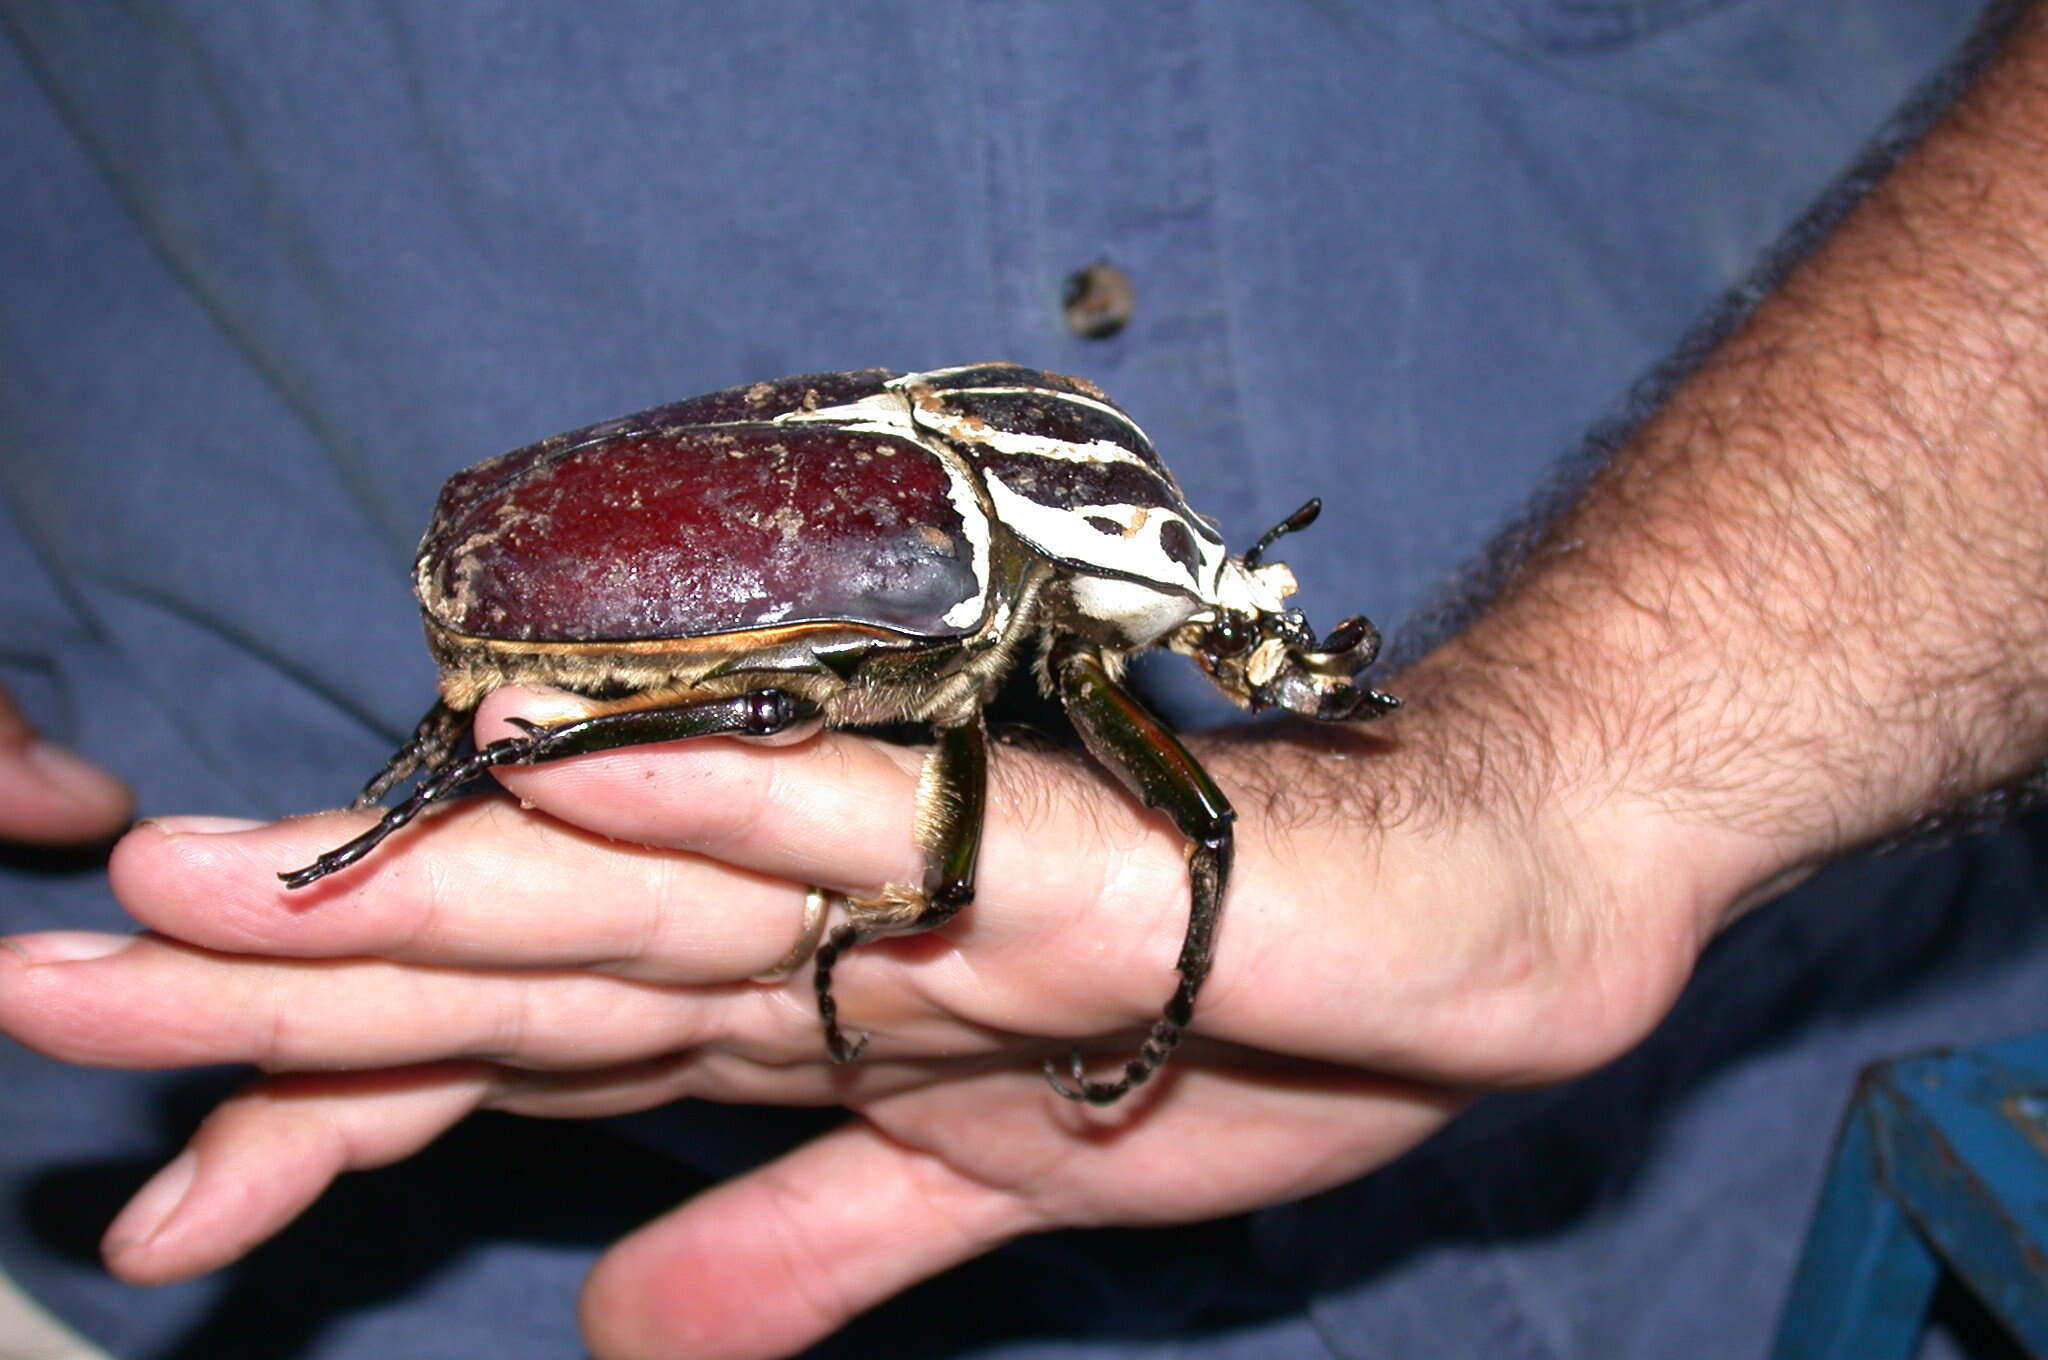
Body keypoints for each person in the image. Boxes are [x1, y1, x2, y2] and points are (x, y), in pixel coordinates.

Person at [0, 3, 2036, 1357]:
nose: (1231, 637)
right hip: (391, 1190)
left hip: (1790, 1139)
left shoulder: (1034, 533)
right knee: (796, 739)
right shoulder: (969, 539)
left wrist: (1603, 763)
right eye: (1212, 603)